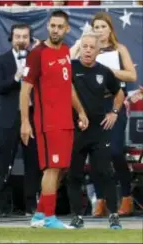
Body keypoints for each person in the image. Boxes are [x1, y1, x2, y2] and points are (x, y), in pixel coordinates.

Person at [20, 10, 89, 229]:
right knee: (51, 168)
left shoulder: (67, 51)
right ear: (47, 26)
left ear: (67, 29)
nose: (56, 30)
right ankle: (49, 217)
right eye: (52, 26)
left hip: (65, 120)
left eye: (60, 26)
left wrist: (81, 111)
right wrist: (24, 121)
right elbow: (25, 91)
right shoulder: (37, 53)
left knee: (60, 169)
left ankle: (40, 215)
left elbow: (68, 86)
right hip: (47, 122)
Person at [71, 12, 136, 216]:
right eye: (95, 27)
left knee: (115, 151)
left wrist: (106, 70)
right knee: (96, 156)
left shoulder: (119, 49)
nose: (99, 30)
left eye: (102, 26)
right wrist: (80, 43)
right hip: (92, 104)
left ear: (110, 29)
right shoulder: (87, 49)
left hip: (113, 102)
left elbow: (131, 75)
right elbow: (69, 60)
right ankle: (100, 200)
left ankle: (126, 196)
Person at [68, 31, 124, 229]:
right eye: (85, 47)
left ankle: (114, 215)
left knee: (104, 172)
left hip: (99, 130)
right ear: (80, 48)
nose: (88, 50)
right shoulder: (70, 68)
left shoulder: (104, 71)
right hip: (75, 129)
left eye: (92, 47)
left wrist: (115, 112)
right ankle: (77, 217)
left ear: (98, 51)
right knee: (74, 174)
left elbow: (119, 93)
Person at [0, 23, 41, 215]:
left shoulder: (36, 59)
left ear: (30, 39)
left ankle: (31, 205)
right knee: (4, 161)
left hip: (33, 115)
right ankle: (0, 206)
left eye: (25, 37)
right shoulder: (0, 60)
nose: (21, 40)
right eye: (18, 36)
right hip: (8, 118)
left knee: (33, 162)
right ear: (11, 38)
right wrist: (15, 78)